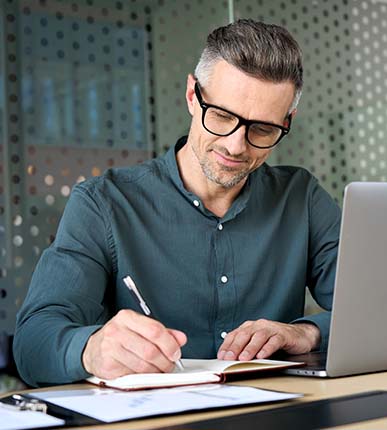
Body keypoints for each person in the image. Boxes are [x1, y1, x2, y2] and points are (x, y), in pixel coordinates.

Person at [13, 19, 341, 387]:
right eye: (221, 116)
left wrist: (308, 332)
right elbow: (32, 343)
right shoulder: (103, 204)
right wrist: (91, 349)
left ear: (287, 121)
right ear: (191, 95)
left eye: (262, 129)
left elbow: (378, 314)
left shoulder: (302, 198)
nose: (236, 146)